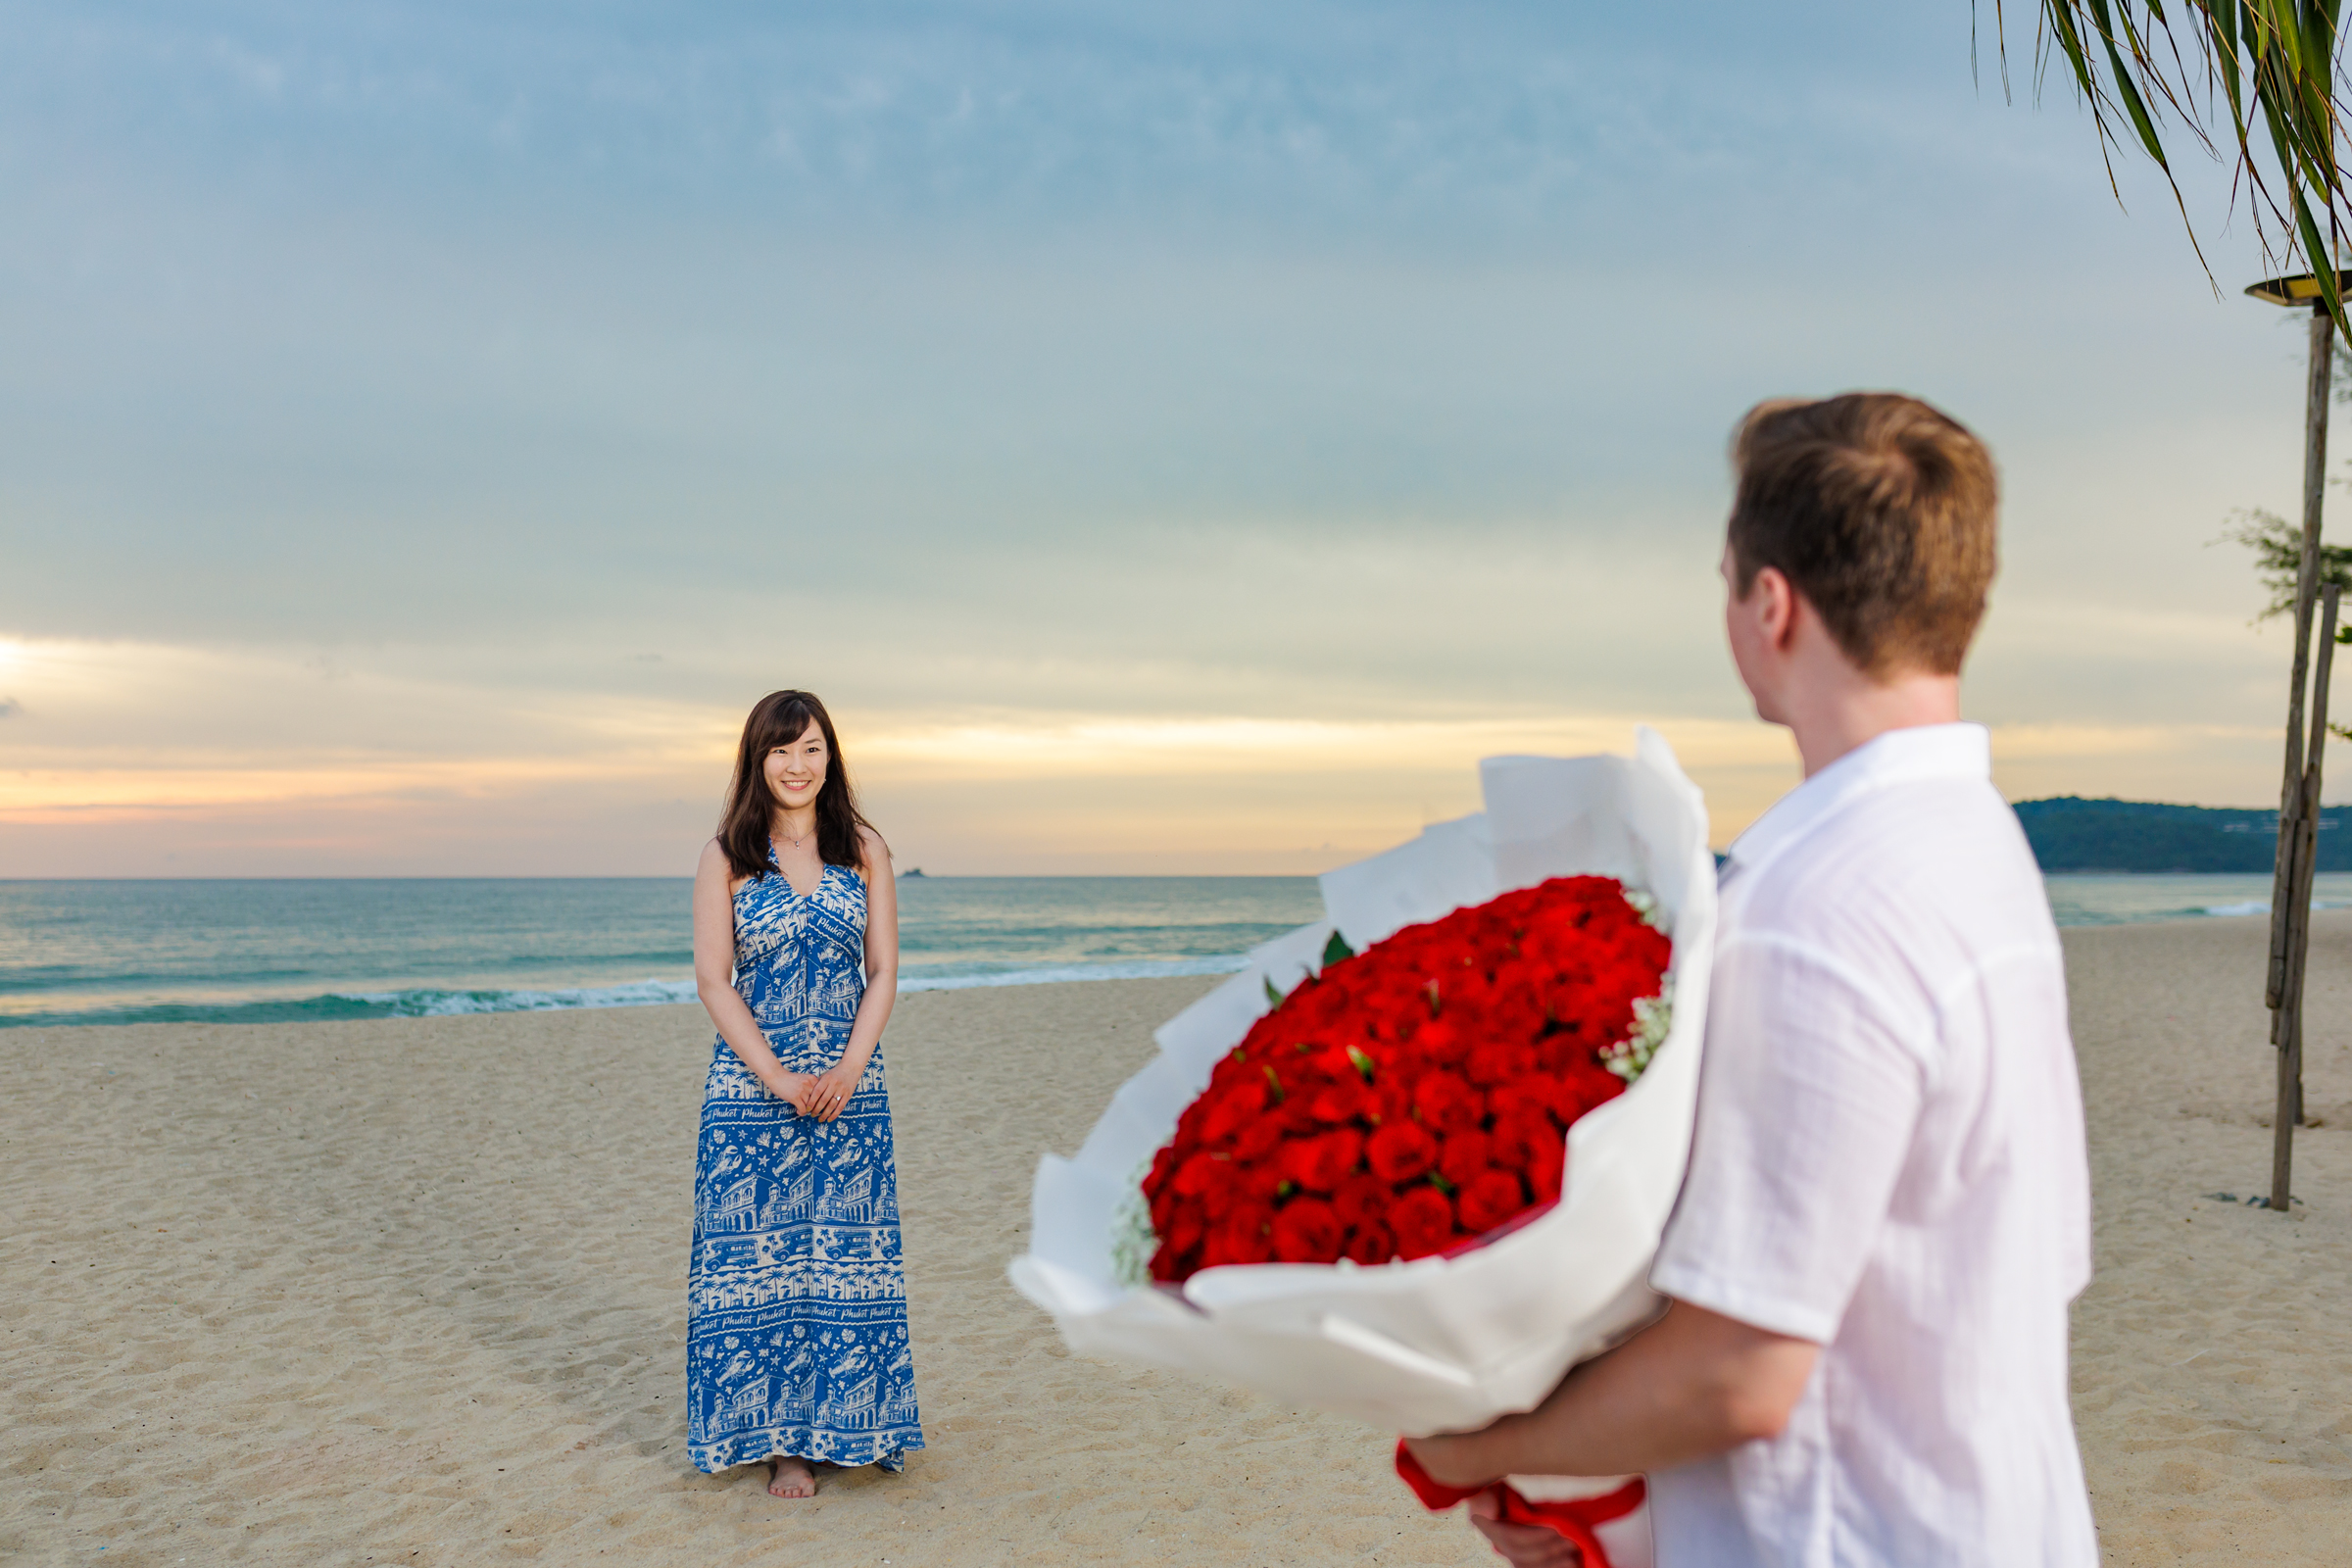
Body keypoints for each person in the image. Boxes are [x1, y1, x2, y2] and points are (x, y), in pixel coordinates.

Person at [1407, 393, 2097, 1565]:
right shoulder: (1976, 845)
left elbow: (1743, 1374)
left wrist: (1467, 1448)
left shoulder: (1818, 905)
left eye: (1727, 576)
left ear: (1770, 604)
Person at [686, 689, 925, 1496]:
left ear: (832, 757)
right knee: (762, 1267)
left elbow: (884, 969)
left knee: (842, 1263)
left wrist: (850, 1068)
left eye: (812, 747)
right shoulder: (727, 855)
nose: (797, 765)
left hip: (851, 1083)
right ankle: (785, 1446)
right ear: (758, 759)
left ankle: (850, 1431)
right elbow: (714, 983)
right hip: (753, 1090)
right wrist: (779, 1077)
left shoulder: (863, 849)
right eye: (782, 750)